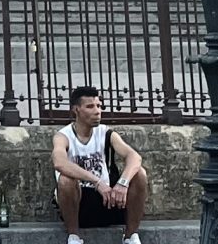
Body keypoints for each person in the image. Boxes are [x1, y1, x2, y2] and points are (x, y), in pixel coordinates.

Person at [50, 85, 146, 244]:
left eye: (99, 106)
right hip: (79, 205)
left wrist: (123, 183)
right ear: (76, 110)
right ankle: (74, 237)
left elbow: (134, 157)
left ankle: (130, 237)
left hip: (108, 200)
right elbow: (59, 162)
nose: (97, 111)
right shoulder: (63, 136)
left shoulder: (106, 133)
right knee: (65, 180)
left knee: (140, 173)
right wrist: (97, 181)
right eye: (90, 106)